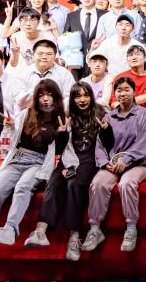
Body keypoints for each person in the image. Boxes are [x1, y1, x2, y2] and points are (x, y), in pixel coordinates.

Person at [0, 78, 68, 269]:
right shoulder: (26, 113)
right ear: (36, 97)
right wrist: (11, 126)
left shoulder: (61, 118)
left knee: (23, 187)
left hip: (39, 163)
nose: (45, 98)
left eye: (49, 94)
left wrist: (63, 134)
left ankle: (10, 229)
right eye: (42, 95)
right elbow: (9, 131)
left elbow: (61, 151)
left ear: (56, 97)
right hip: (16, 159)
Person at [25, 81, 107, 261]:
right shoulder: (66, 116)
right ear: (72, 99)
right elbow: (60, 149)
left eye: (86, 95)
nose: (82, 99)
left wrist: (106, 131)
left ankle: (74, 236)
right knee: (53, 182)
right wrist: (61, 133)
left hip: (89, 158)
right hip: (69, 156)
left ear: (91, 97)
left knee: (74, 185)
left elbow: (109, 145)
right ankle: (40, 231)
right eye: (78, 96)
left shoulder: (100, 113)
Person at [83, 76, 146, 254]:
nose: (122, 93)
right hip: (112, 164)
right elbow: (100, 144)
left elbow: (142, 143)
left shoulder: (143, 114)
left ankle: (131, 228)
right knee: (98, 183)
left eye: (126, 89)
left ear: (134, 91)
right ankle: (95, 229)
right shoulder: (108, 116)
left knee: (126, 183)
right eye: (119, 90)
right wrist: (104, 163)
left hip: (137, 163)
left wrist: (126, 160)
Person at [62, 0, 103, 78]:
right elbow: (65, 38)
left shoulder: (104, 15)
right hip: (76, 63)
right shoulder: (71, 16)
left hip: (98, 60)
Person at [111, 44, 146, 109]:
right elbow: (114, 102)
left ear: (145, 58)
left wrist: (125, 103)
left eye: (137, 54)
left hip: (143, 114)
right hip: (122, 113)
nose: (134, 57)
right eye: (130, 55)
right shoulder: (119, 77)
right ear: (127, 60)